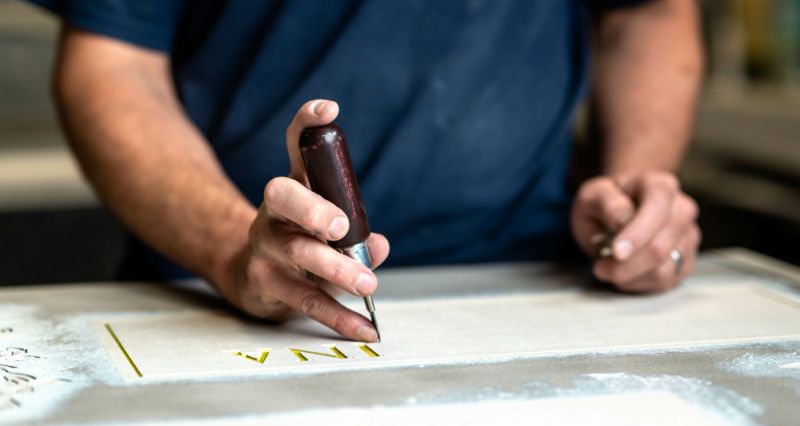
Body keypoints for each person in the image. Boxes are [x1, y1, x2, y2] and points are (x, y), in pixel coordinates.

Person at [31, 0, 702, 342]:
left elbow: (650, 10)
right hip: (219, 295)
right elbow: (115, 60)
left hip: (542, 283)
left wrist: (631, 198)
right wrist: (232, 248)